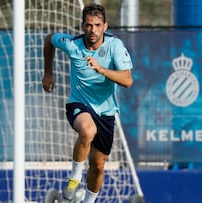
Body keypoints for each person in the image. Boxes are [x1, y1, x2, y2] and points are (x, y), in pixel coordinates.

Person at [42, 3, 133, 203]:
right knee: (87, 131)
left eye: (97, 25)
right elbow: (50, 40)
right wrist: (48, 72)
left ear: (105, 26)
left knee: (98, 165)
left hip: (106, 112)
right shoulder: (72, 43)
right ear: (83, 26)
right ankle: (74, 177)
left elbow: (127, 80)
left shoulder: (115, 46)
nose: (93, 30)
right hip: (79, 104)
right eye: (89, 25)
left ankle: (89, 201)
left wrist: (102, 70)